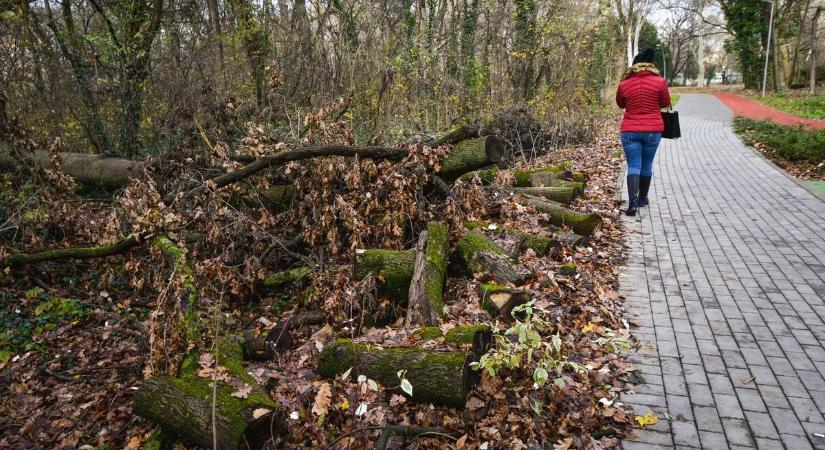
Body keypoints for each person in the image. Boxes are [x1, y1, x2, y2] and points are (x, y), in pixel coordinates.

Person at [615, 48, 671, 216]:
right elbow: (664, 103)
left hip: (630, 131)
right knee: (646, 164)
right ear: (650, 65)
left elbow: (620, 104)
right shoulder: (660, 82)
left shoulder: (624, 84)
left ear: (634, 66)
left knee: (633, 165)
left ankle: (632, 204)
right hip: (653, 131)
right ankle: (643, 198)